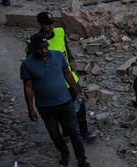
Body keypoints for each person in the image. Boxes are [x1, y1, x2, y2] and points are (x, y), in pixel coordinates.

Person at [21, 33, 97, 167]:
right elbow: (28, 87)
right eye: (40, 49)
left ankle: (82, 162)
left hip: (65, 102)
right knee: (55, 133)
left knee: (75, 131)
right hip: (45, 106)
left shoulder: (57, 55)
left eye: (46, 47)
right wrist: (30, 109)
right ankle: (64, 153)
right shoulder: (27, 65)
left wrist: (77, 93)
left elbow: (67, 74)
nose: (44, 51)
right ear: (33, 48)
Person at [25, 11, 96, 141]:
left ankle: (84, 132)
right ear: (40, 24)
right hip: (53, 82)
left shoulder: (59, 32)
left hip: (68, 77)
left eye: (52, 24)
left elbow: (66, 48)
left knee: (79, 103)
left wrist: (72, 59)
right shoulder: (34, 42)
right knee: (59, 108)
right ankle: (66, 131)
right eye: (47, 25)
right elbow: (31, 64)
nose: (50, 27)